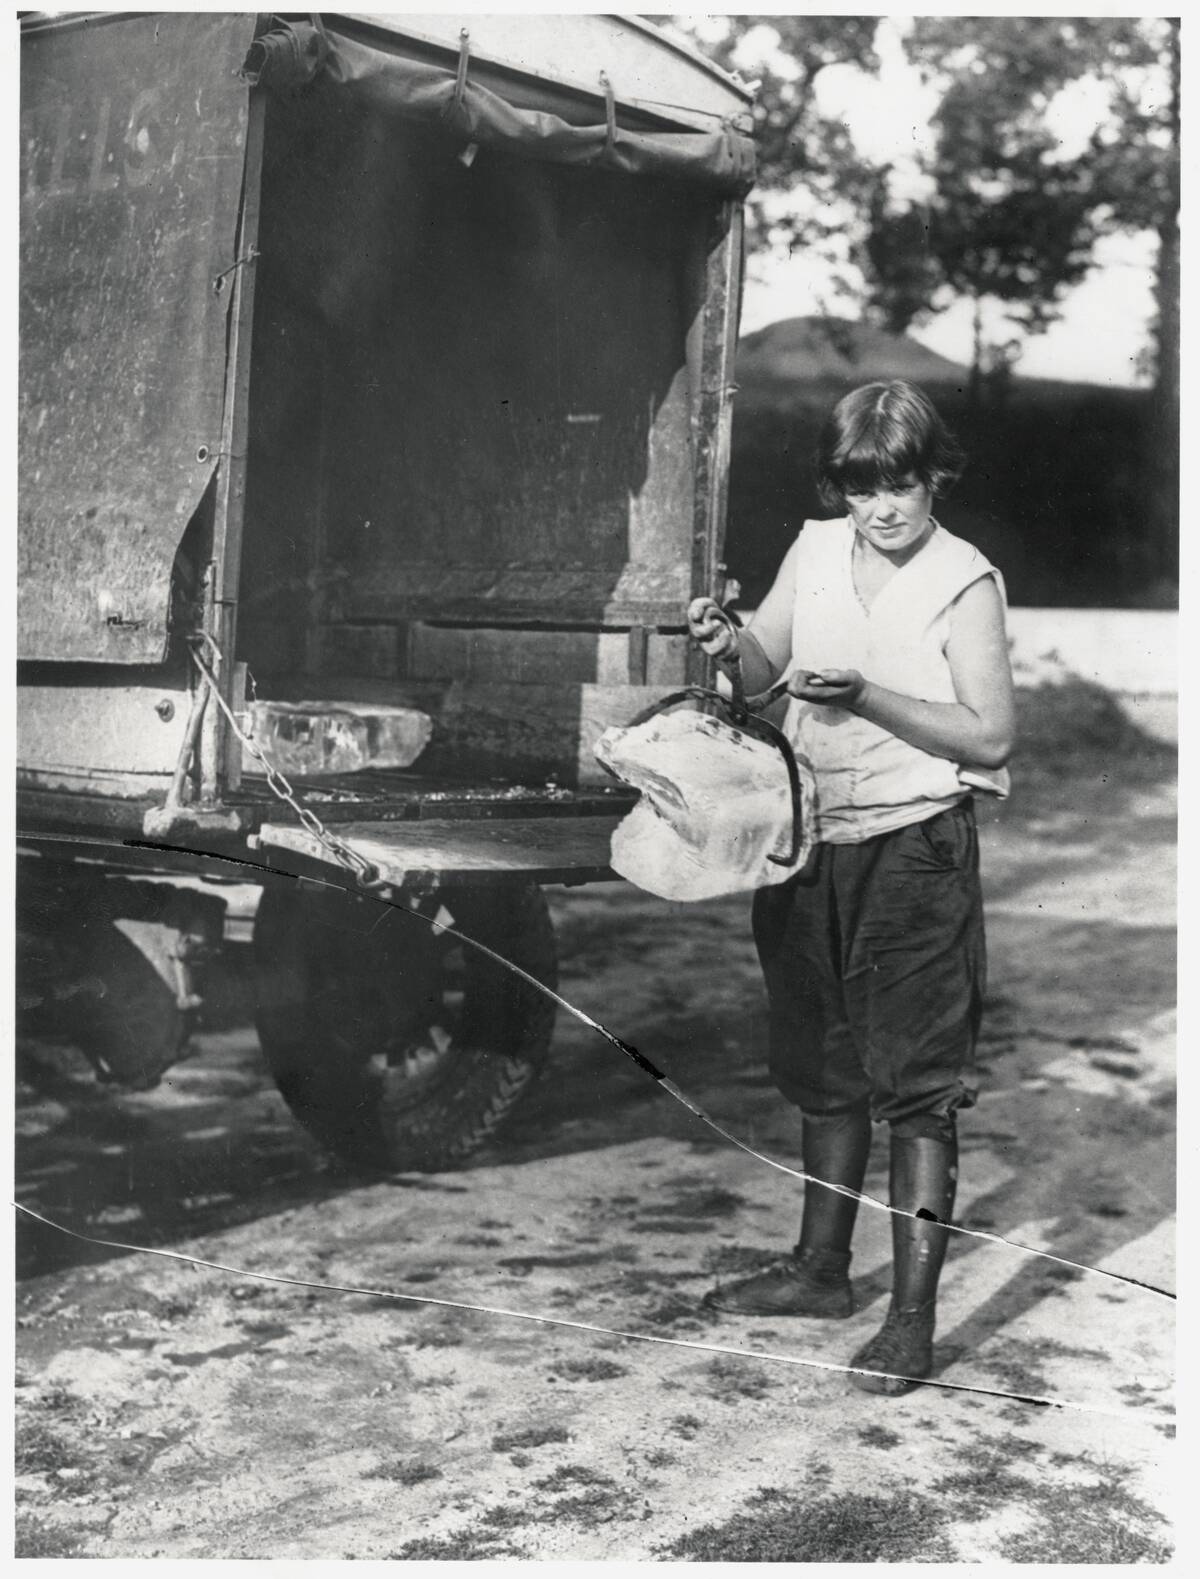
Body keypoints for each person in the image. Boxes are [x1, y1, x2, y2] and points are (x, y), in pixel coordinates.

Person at [687, 379, 1016, 1396]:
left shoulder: (965, 582)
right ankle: (820, 1272)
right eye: (864, 487)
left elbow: (992, 735)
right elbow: (759, 669)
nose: (882, 509)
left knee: (917, 1090)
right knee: (821, 1064)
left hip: (915, 852)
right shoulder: (818, 547)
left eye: (903, 486)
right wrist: (723, 643)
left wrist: (870, 695)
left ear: (936, 478)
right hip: (811, 840)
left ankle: (911, 1324)